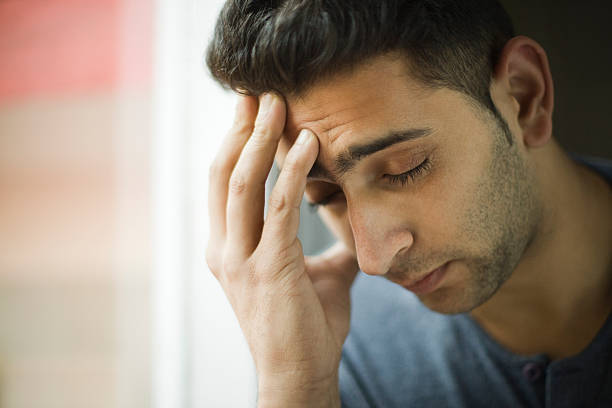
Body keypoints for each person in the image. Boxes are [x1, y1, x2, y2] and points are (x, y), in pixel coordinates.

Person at [205, 1, 612, 406]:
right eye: (326, 197)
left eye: (404, 169)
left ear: (524, 97)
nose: (373, 260)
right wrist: (296, 387)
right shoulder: (333, 351)